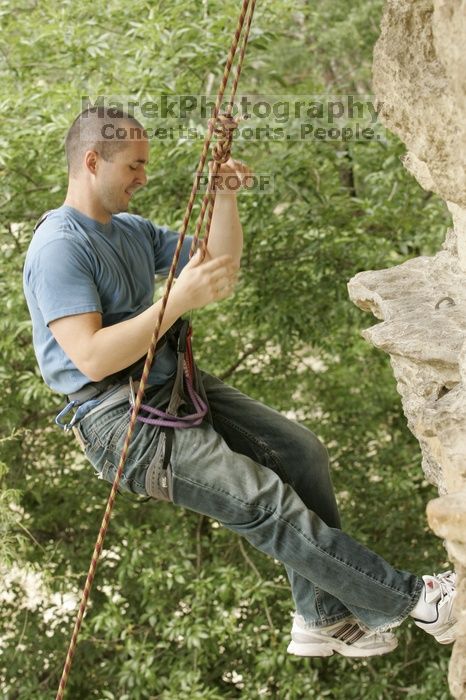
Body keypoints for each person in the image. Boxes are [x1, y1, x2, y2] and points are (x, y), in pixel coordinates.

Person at [23, 107, 457, 658]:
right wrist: (175, 299)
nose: (143, 177)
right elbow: (88, 358)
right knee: (264, 503)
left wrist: (224, 196)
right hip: (119, 420)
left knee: (300, 453)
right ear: (92, 161)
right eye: (134, 165)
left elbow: (217, 263)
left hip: (168, 386)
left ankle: (321, 616)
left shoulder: (128, 231)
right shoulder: (61, 246)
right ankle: (415, 598)